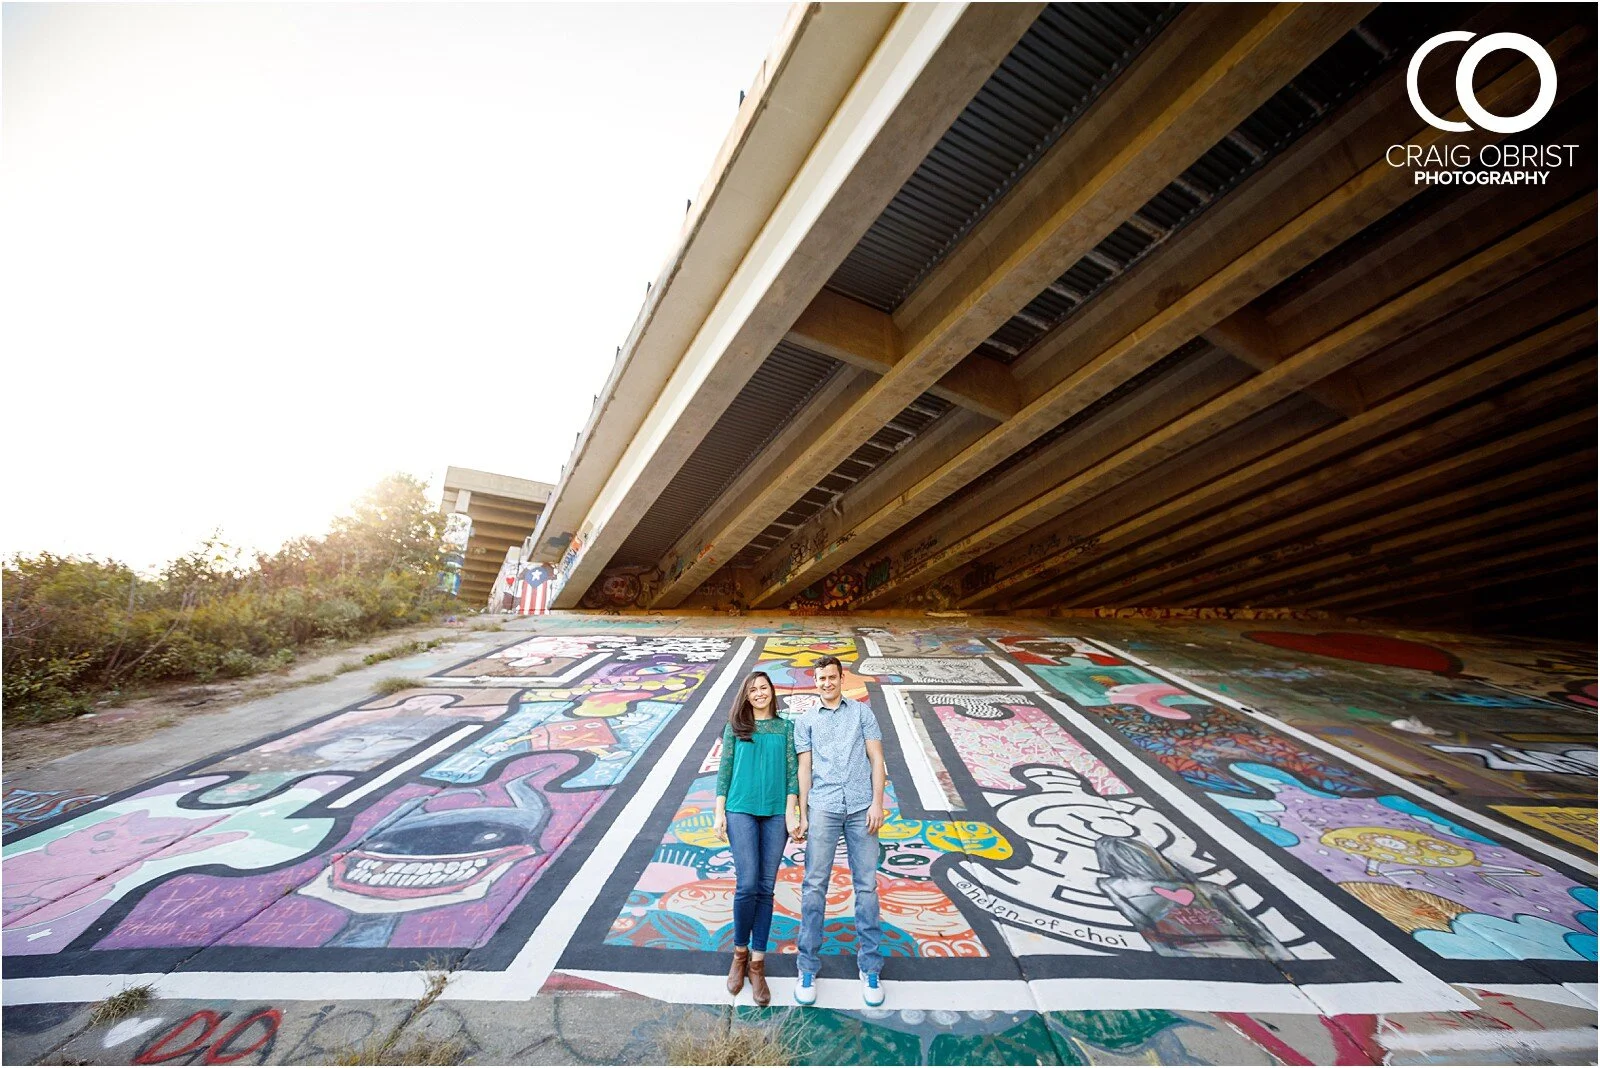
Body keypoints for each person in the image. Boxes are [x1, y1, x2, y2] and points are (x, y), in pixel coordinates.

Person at [792, 654, 887, 1007]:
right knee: (814, 885)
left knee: (866, 886)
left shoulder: (862, 713)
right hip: (824, 807)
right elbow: (805, 768)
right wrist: (802, 812)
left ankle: (871, 967)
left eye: (832, 677)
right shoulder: (805, 722)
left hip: (863, 807)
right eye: (821, 679)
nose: (827, 683)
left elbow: (877, 759)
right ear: (815, 683)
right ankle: (807, 966)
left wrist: (878, 802)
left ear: (841, 678)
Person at [712, 670, 798, 1007]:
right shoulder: (735, 728)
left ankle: (758, 964)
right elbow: (724, 772)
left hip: (776, 813)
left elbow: (792, 774)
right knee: (747, 884)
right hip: (740, 810)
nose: (759, 693)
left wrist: (793, 815)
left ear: (772, 692)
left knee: (766, 887)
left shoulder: (787, 728)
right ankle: (739, 954)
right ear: (746, 696)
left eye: (764, 688)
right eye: (753, 689)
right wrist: (719, 812)